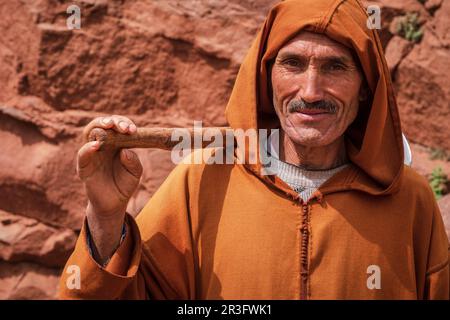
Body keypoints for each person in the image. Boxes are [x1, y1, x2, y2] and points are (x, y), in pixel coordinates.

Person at [59, 0, 449, 299]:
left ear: (366, 87)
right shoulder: (202, 180)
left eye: (335, 67)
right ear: (266, 79)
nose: (311, 92)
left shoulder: (409, 200)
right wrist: (107, 218)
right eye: (292, 64)